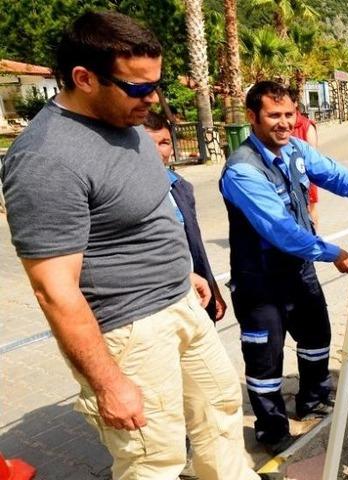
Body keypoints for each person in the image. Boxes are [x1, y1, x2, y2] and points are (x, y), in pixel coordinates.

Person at [1, 11, 258, 479]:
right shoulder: (46, 160)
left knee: (220, 416)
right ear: (84, 78)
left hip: (181, 304)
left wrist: (184, 274)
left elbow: (144, 212)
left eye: (155, 84)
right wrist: (109, 383)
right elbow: (54, 291)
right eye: (139, 88)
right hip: (127, 331)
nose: (153, 99)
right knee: (152, 459)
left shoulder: (130, 123)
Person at [220, 80, 348, 453]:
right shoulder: (242, 171)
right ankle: (271, 429)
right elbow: (281, 230)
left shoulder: (295, 150)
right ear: (252, 117)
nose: (285, 123)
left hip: (298, 272)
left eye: (290, 114)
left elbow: (334, 175)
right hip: (260, 282)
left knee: (316, 336)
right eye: (275, 116)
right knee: (265, 359)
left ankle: (313, 400)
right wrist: (333, 252)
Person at [144, 111, 227, 322]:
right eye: (147, 143)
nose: (157, 151)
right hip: (153, 307)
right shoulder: (122, 195)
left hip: (192, 295)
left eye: (164, 142)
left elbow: (195, 245)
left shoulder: (179, 187)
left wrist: (211, 285)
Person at [286, 86, 321, 228]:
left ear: (295, 103)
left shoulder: (306, 126)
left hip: (304, 175)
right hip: (285, 176)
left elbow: (313, 157)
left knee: (310, 208)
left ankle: (314, 236)